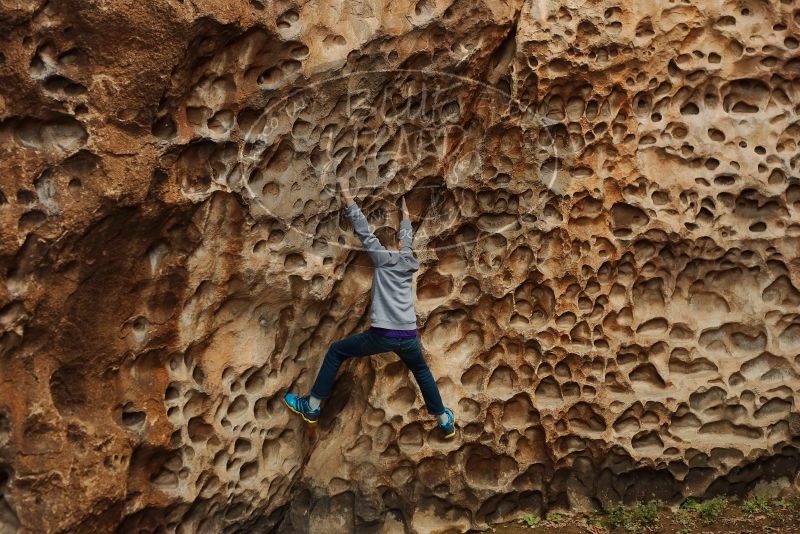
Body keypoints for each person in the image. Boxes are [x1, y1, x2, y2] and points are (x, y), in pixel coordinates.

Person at [284, 176, 456, 438]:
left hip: (383, 336)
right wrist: (406, 217)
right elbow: (407, 238)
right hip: (408, 336)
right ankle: (444, 420)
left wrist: (347, 195)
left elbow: (364, 231)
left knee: (337, 351)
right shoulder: (410, 261)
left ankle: (312, 406)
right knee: (422, 372)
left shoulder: (382, 259)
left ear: (394, 246)